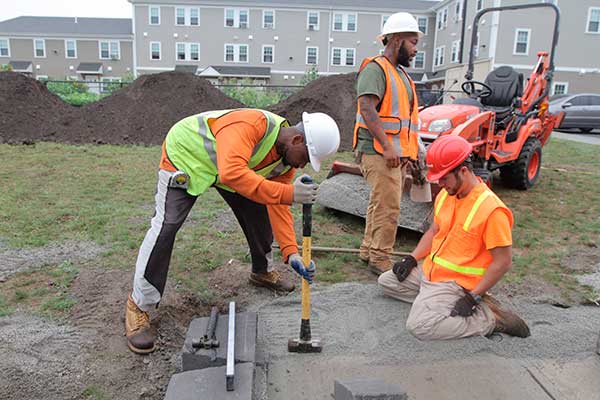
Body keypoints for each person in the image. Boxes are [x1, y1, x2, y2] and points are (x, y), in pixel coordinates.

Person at [125, 108, 340, 354]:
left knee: (259, 211)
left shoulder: (284, 164)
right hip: (187, 155)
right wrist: (290, 194)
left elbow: (277, 204)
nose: (302, 165)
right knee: (167, 224)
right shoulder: (251, 125)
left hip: (231, 170)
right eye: (306, 157)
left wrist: (292, 253)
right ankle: (138, 305)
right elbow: (233, 173)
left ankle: (263, 272)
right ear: (297, 139)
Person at [378, 135, 531, 340]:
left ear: (464, 171)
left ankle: (491, 318)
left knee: (420, 326)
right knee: (386, 281)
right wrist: (412, 258)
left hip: (456, 284)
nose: (440, 184)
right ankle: (435, 303)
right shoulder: (447, 195)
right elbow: (434, 231)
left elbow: (503, 262)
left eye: (444, 177)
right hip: (430, 272)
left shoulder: (492, 210)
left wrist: (473, 296)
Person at [353, 12, 423, 275]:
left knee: (379, 202)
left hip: (393, 153)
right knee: (388, 206)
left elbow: (406, 122)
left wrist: (412, 152)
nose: (416, 49)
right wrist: (389, 146)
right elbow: (367, 108)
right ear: (395, 40)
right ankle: (380, 258)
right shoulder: (376, 69)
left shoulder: (401, 75)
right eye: (412, 42)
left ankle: (369, 249)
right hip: (378, 152)